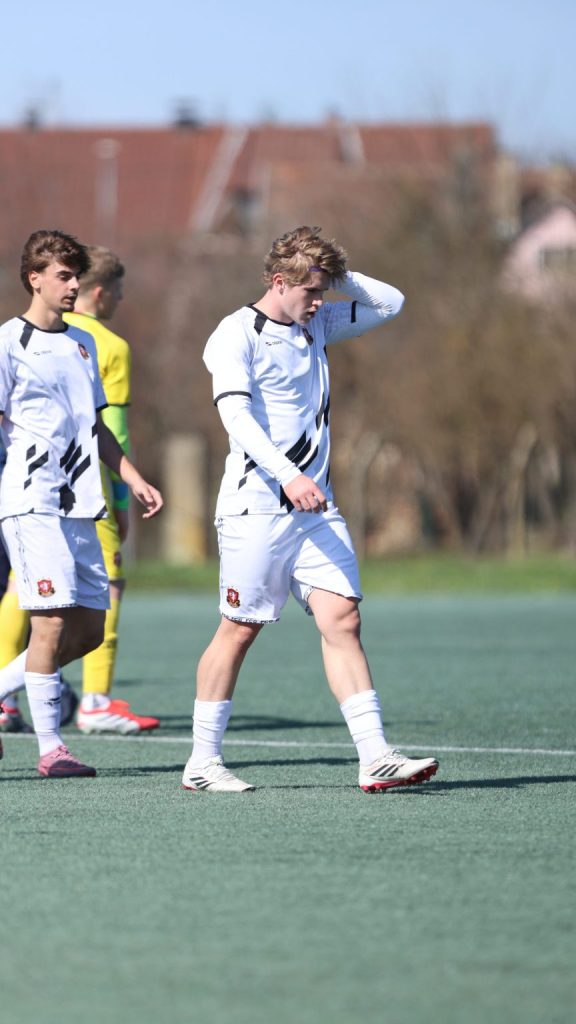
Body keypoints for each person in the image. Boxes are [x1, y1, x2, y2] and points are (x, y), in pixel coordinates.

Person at [181, 225, 439, 793]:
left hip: (315, 510)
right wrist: (289, 475)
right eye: (311, 290)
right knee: (239, 629)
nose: (321, 302)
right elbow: (236, 418)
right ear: (279, 282)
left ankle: (375, 756)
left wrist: (335, 272)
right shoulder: (234, 334)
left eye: (325, 291)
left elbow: (390, 303)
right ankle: (202, 763)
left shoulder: (315, 323)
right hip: (256, 509)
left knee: (343, 619)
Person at [0, 229, 163, 778]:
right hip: (31, 501)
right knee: (48, 623)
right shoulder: (8, 343)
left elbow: (95, 426)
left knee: (88, 630)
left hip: (82, 504)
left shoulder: (83, 344)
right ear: (35, 279)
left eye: (76, 276)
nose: (74, 286)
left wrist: (132, 478)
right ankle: (52, 750)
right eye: (64, 276)